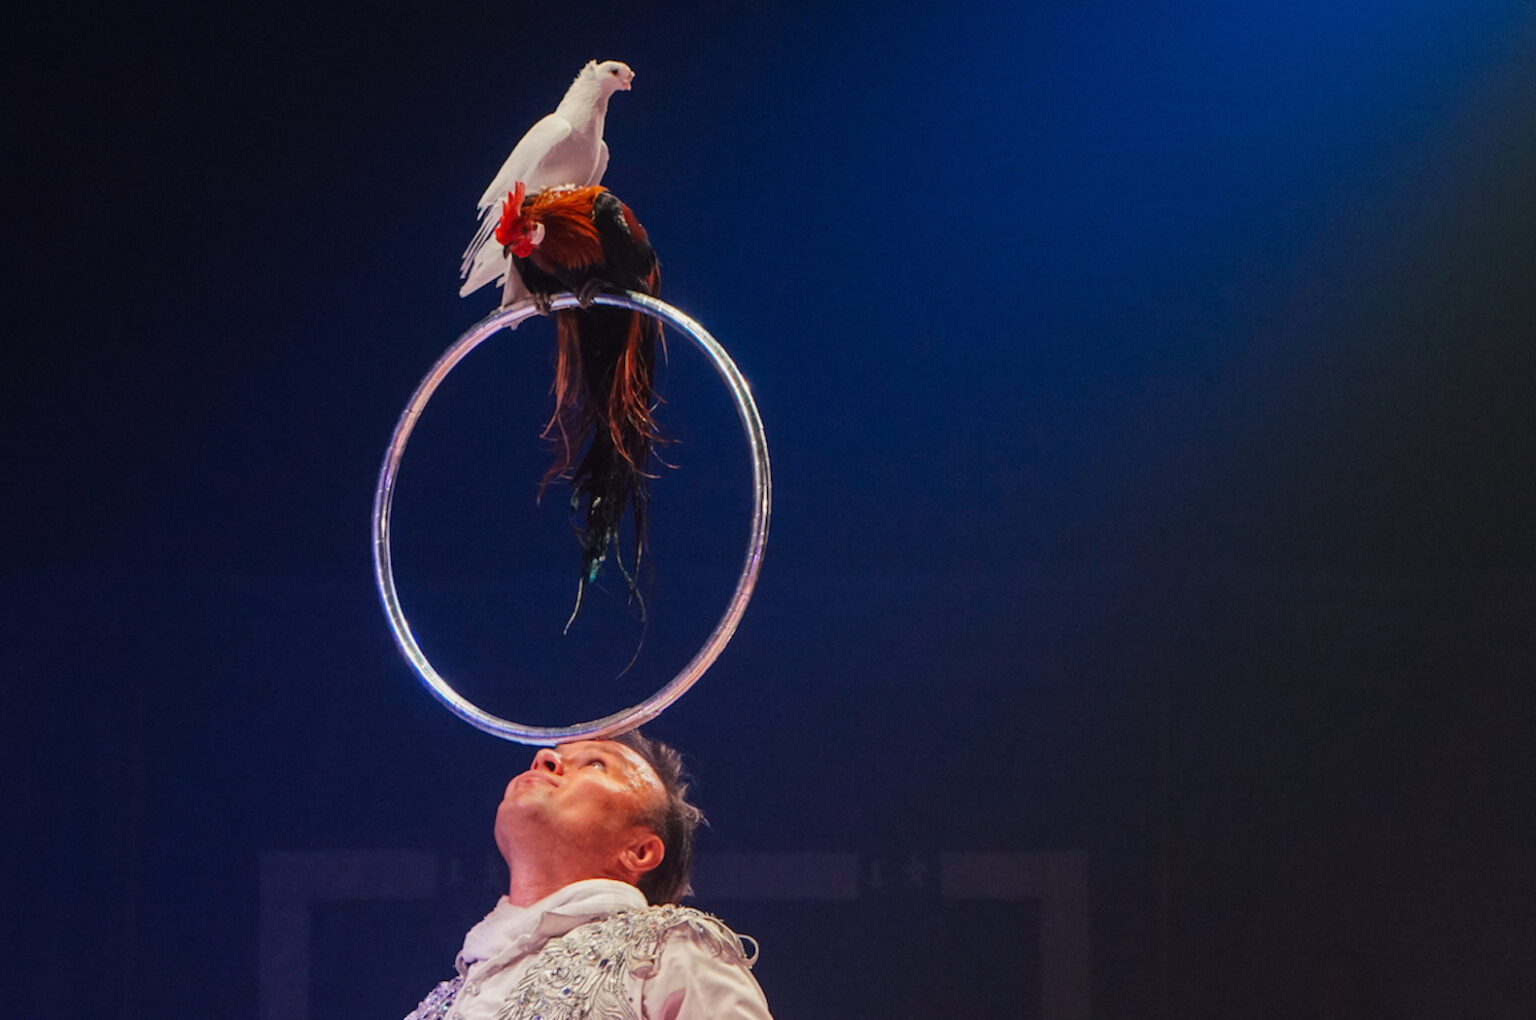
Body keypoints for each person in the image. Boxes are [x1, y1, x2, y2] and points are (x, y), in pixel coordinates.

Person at [404, 730, 774, 1020]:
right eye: (550, 755)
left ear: (640, 851)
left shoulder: (668, 953)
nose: (545, 758)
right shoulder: (443, 1000)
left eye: (596, 764)